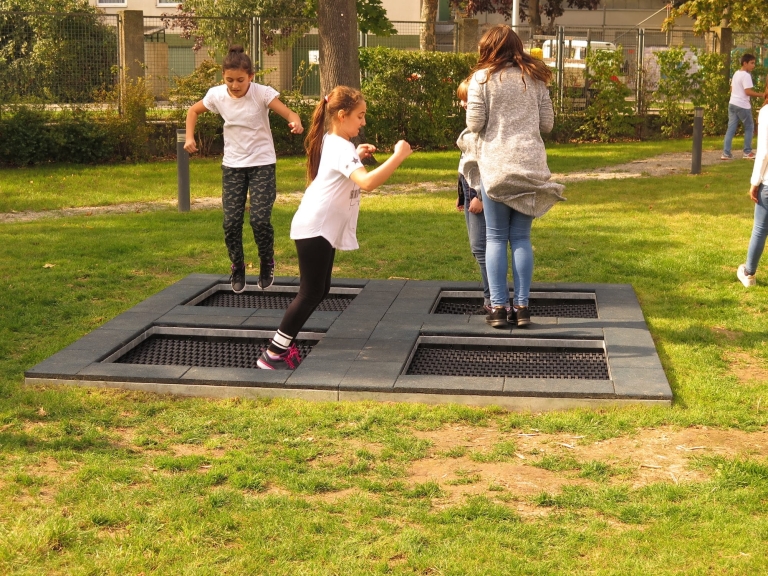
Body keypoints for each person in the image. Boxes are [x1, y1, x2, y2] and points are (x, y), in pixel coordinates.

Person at [257, 86, 413, 370]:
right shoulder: (341, 146)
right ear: (342, 115)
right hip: (315, 227)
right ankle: (273, 354)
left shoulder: (336, 141)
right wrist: (398, 156)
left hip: (318, 226)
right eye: (360, 116)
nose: (364, 122)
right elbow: (367, 183)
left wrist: (356, 155)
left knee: (319, 289)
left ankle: (280, 349)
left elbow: (344, 168)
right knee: (310, 292)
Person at [458, 25, 565, 329]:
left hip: (496, 168)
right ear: (517, 47)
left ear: (489, 49)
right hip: (530, 167)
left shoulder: (482, 79)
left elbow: (475, 122)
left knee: (494, 236)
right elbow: (547, 125)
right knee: (520, 238)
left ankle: (497, 309)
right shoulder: (536, 79)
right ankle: (522, 307)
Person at [184, 45, 304, 294]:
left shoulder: (262, 94)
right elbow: (193, 110)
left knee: (259, 219)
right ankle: (237, 266)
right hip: (233, 166)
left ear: (251, 76)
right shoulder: (217, 95)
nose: (235, 85)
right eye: (229, 80)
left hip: (262, 163)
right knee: (231, 223)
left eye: (240, 80)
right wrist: (189, 138)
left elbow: (289, 112)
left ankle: (266, 262)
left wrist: (296, 122)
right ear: (223, 77)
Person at [456, 79, 492, 314]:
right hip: (469, 190)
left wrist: (478, 194)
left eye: (467, 100)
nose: (462, 104)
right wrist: (462, 195)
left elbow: (485, 165)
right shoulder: (472, 129)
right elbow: (465, 164)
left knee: (481, 247)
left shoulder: (483, 131)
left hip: (479, 191)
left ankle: (492, 300)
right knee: (478, 248)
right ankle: (491, 298)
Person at [737, 98, 768, 287]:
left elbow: (764, 152)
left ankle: (749, 273)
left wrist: (754, 182)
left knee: (760, 228)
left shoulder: (766, 112)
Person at [722, 53, 766, 161]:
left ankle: (726, 153)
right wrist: (762, 95)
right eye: (751, 63)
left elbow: (732, 89)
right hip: (742, 105)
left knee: (731, 128)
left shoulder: (736, 73)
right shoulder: (746, 75)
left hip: (732, 104)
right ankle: (747, 152)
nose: (753, 65)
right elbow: (748, 92)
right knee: (749, 127)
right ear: (745, 63)